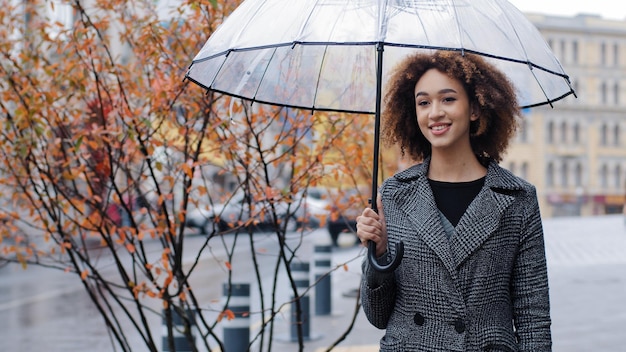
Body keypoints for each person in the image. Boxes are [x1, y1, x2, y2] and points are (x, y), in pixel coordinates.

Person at [356, 51, 551, 352]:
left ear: (474, 108)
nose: (434, 112)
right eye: (423, 102)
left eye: (448, 99)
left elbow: (533, 318)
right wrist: (378, 255)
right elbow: (378, 316)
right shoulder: (394, 195)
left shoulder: (518, 198)